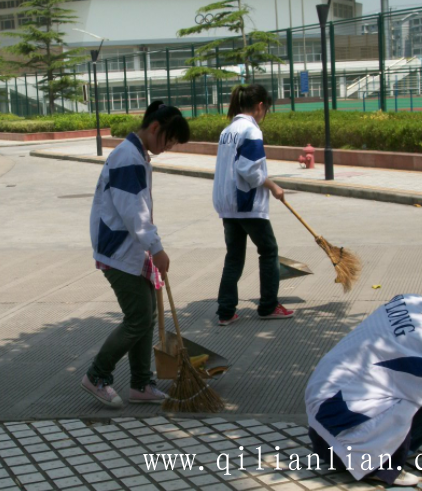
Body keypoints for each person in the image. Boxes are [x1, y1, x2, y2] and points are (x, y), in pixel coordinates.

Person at [305, 282, 422, 487]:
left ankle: (386, 448)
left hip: (326, 417)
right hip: (343, 441)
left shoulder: (412, 302)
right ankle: (380, 467)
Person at [83, 101, 190, 408]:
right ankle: (96, 375)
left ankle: (141, 383)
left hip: (128, 248)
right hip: (118, 250)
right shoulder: (128, 158)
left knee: (146, 316)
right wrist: (156, 248)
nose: (167, 147)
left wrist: (152, 247)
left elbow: (136, 211)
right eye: (167, 140)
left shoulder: (135, 154)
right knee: (139, 318)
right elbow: (134, 212)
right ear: (155, 128)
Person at [212, 84, 293, 326]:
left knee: (234, 256)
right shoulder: (251, 131)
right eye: (266, 109)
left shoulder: (228, 130)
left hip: (228, 205)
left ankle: (225, 311)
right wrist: (274, 186)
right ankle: (268, 305)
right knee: (268, 250)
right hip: (246, 203)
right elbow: (249, 170)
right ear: (260, 106)